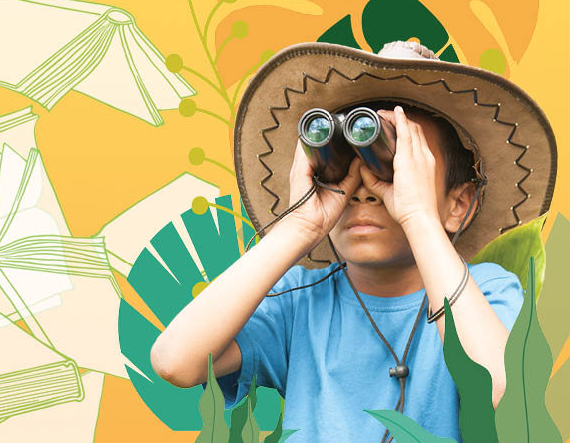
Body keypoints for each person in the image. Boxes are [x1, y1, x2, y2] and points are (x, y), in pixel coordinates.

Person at [150, 41, 557, 442]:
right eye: (343, 164)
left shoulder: (486, 291)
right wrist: (298, 225)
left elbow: (508, 397)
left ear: (458, 204)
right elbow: (174, 362)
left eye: (394, 167)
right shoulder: (300, 301)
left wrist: (418, 216)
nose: (363, 190)